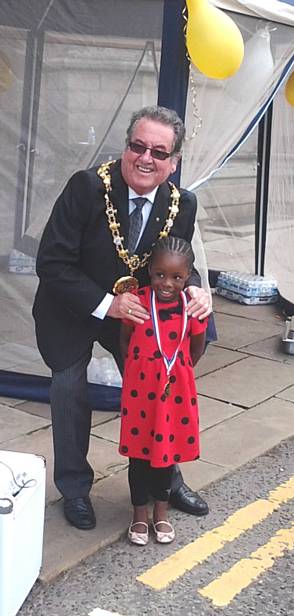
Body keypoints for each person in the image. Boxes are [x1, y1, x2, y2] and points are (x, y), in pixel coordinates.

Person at [33, 105, 212, 530]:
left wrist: (196, 289)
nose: (146, 159)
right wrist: (107, 304)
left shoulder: (181, 203)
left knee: (165, 384)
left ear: (174, 162)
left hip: (135, 318)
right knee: (69, 386)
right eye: (138, 146)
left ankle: (165, 480)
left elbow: (179, 260)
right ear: (125, 147)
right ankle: (75, 488)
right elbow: (51, 261)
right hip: (71, 308)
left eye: (159, 152)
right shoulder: (86, 187)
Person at [120, 237, 206, 546]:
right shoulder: (137, 302)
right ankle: (138, 515)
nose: (166, 283)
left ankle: (161, 512)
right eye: (159, 274)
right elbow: (125, 340)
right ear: (149, 271)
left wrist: (176, 370)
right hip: (140, 392)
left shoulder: (192, 309)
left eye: (176, 277)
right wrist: (137, 370)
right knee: (138, 455)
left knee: (164, 457)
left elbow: (196, 348)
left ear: (187, 277)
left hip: (175, 393)